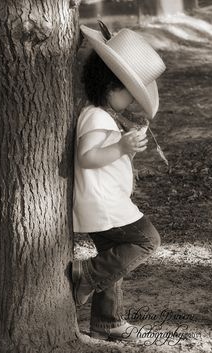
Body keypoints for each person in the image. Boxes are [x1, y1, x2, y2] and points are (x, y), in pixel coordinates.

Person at [72, 23, 166, 341]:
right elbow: (87, 156)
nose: (131, 100)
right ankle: (84, 275)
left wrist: (126, 149)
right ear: (112, 85)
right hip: (104, 204)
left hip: (104, 203)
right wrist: (121, 147)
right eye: (129, 91)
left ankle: (106, 322)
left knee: (113, 262)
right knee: (146, 240)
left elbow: (105, 156)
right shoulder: (96, 116)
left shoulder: (101, 115)